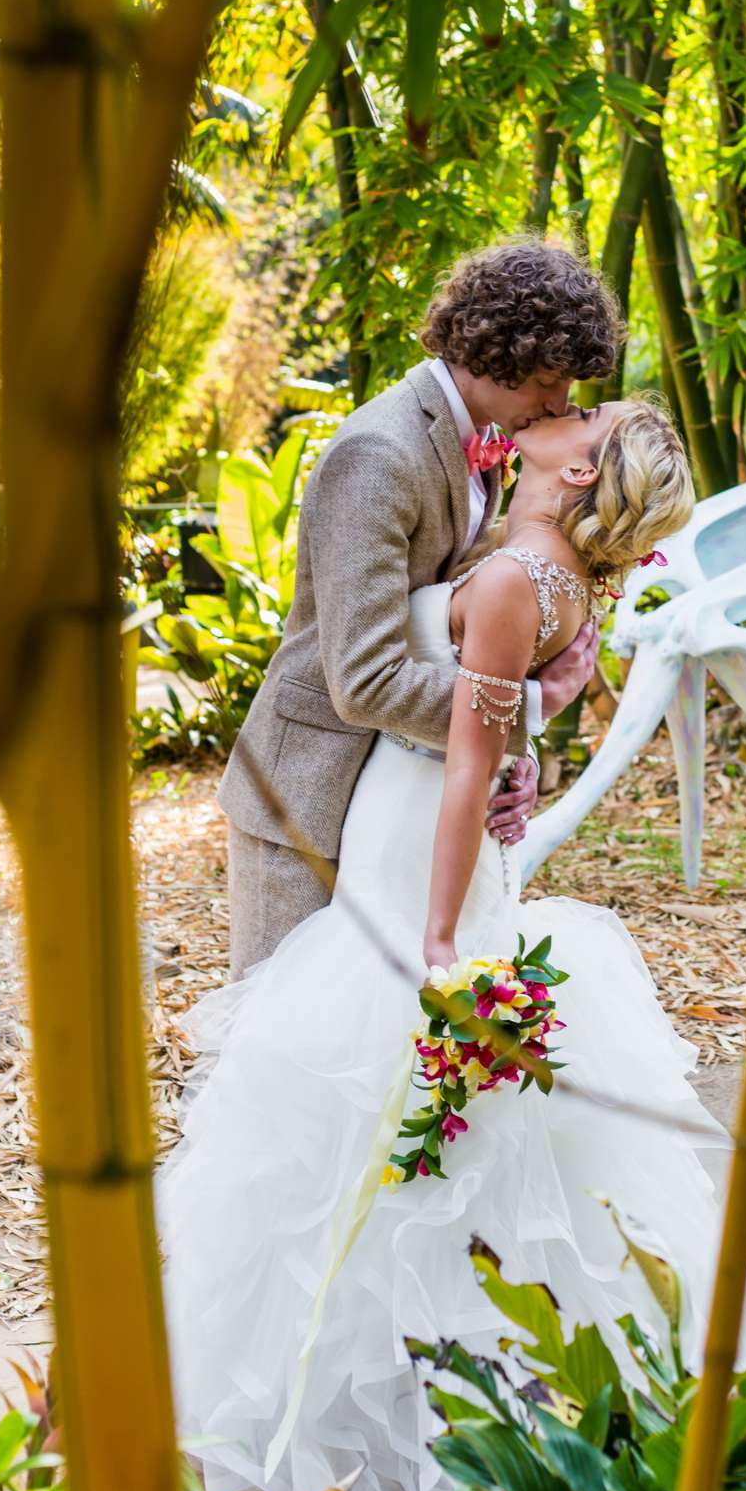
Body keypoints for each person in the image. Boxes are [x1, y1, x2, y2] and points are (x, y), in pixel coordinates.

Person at [160, 394, 746, 1491]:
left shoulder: (519, 579)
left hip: (421, 845)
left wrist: (431, 931)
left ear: (575, 472)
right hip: (408, 827)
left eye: (581, 416)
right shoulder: (544, 571)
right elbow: (503, 719)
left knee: (381, 1092)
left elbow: (467, 761)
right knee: (399, 1114)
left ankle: (387, 1407)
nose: (560, 409)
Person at [216, 240, 623, 977]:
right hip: (308, 793)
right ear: (499, 351)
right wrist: (526, 707)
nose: (561, 404)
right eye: (549, 379)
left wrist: (512, 752)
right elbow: (366, 678)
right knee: (281, 1040)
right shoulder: (381, 453)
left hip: (396, 793)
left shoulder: (483, 446)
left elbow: (457, 641)